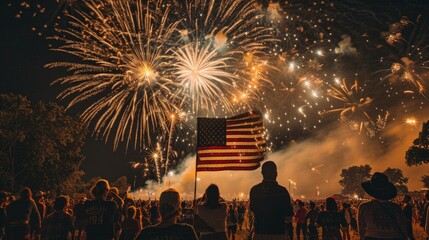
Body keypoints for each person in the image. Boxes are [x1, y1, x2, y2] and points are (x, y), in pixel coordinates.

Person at [250, 161, 294, 240]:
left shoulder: (254, 190)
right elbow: (288, 216)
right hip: (278, 233)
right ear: (276, 173)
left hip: (260, 233)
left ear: (262, 173)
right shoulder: (282, 191)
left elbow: (252, 209)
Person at [358, 172, 407, 240]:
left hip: (372, 237)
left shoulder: (364, 207)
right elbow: (403, 227)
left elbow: (361, 229)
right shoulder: (397, 207)